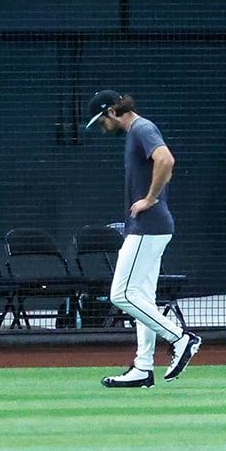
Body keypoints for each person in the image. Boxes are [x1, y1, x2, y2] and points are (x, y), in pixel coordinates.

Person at [83, 90, 202, 388]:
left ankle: (180, 337)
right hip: (152, 226)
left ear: (112, 111)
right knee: (142, 298)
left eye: (101, 120)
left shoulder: (141, 128)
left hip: (148, 225)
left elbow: (166, 160)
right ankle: (143, 367)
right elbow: (163, 167)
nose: (102, 127)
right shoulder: (136, 133)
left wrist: (149, 199)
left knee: (121, 295)